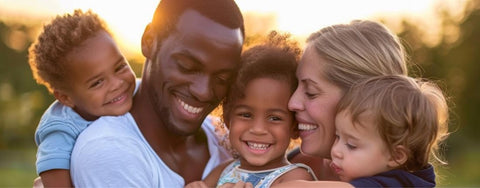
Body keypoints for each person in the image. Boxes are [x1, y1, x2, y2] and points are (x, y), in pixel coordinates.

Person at [69, 0, 245, 187]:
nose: (203, 92)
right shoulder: (108, 150)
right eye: (187, 67)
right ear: (149, 41)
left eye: (222, 79)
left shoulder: (225, 139)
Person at [186, 32, 317, 188]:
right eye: (246, 115)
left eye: (274, 118)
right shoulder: (222, 171)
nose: (258, 129)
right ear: (228, 118)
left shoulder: (295, 178)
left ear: (295, 126)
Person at [285, 20, 410, 180]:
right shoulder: (287, 163)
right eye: (296, 87)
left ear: (362, 101)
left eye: (310, 92)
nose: (292, 103)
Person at [276, 75, 449, 187]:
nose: (336, 151)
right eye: (337, 137)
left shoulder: (394, 184)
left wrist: (271, 182)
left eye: (351, 145)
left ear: (396, 156)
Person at [28, 10, 137, 187]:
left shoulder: (134, 93)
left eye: (120, 67)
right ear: (66, 98)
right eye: (98, 82)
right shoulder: (60, 129)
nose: (117, 84)